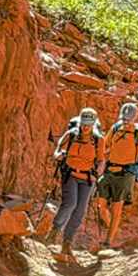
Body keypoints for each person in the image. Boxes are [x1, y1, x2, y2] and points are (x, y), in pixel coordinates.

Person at [49, 107, 104, 259]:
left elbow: (101, 159)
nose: (85, 127)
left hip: (88, 178)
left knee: (80, 210)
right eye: (83, 124)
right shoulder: (71, 135)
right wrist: (59, 155)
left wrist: (100, 167)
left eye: (89, 125)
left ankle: (67, 242)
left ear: (94, 124)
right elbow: (58, 151)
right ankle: (55, 229)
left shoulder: (99, 139)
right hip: (71, 174)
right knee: (70, 204)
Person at [97, 102, 138, 247]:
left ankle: (108, 241)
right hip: (110, 170)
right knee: (101, 206)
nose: (126, 121)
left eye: (128, 119)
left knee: (117, 208)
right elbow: (107, 146)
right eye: (124, 118)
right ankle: (114, 230)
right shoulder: (116, 128)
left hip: (127, 173)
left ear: (135, 117)